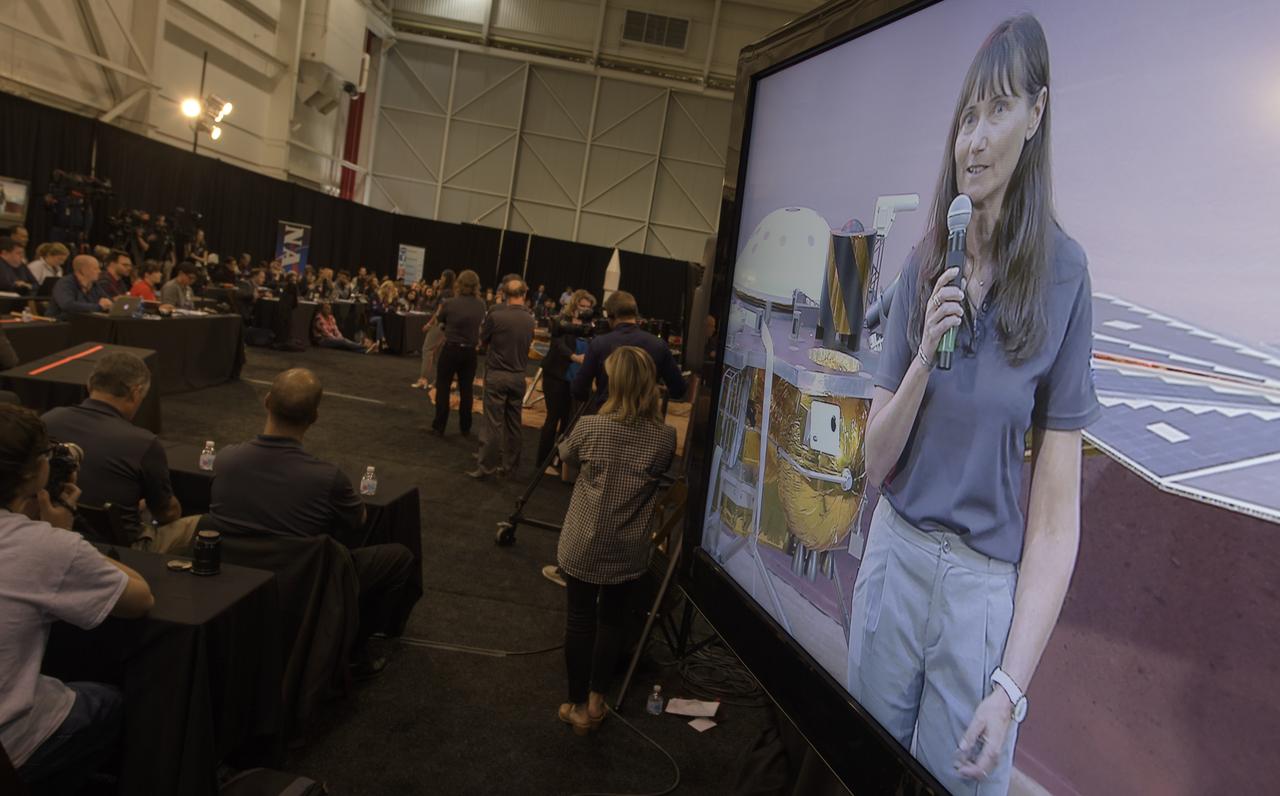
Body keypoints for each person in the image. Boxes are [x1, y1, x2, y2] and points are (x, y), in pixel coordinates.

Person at [847, 16, 1100, 795]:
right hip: (896, 558)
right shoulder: (928, 259)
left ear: (1037, 113)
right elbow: (873, 461)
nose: (976, 139)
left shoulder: (1065, 276)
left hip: (982, 595)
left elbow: (1055, 520)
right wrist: (924, 353)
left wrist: (1010, 686)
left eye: (998, 112)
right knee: (855, 767)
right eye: (967, 116)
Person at [205, 368, 416, 676]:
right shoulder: (327, 478)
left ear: (266, 401)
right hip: (300, 579)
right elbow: (359, 522)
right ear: (315, 417)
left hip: (234, 573)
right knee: (399, 558)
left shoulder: (226, 459)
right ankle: (353, 649)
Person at [0, 405, 155, 793]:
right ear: (32, 472)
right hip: (10, 744)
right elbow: (139, 597)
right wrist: (64, 534)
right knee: (108, 701)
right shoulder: (45, 546)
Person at [553, 346, 676, 734]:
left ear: (613, 384)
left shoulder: (591, 427)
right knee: (612, 623)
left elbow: (565, 456)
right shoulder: (665, 437)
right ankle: (595, 701)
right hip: (629, 547)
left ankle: (574, 705)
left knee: (580, 619)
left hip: (583, 543)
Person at [42, 352, 191, 552]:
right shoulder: (144, 443)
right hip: (120, 548)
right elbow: (166, 513)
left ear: (89, 385)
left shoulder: (48, 420)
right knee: (200, 525)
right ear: (136, 392)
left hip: (52, 533)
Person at [469, 278, 536, 479]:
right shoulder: (530, 319)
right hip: (518, 376)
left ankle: (486, 467)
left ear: (504, 295)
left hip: (497, 374)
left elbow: (483, 340)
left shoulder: (496, 315)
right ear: (524, 294)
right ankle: (510, 467)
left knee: (492, 423)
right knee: (514, 424)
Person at [571, 291, 686, 409]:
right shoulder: (659, 345)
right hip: (644, 418)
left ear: (611, 316)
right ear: (635, 314)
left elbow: (578, 389)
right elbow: (679, 390)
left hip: (606, 415)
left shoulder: (599, 343)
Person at [536, 290, 596, 471]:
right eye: (582, 306)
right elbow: (558, 344)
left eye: (588, 307)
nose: (585, 309)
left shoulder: (590, 326)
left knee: (568, 424)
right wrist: (574, 357)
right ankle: (542, 463)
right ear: (574, 305)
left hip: (576, 381)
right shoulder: (561, 321)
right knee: (552, 419)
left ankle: (560, 463)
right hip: (556, 376)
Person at [430, 269, 486, 437]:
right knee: (466, 389)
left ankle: (439, 426)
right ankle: (465, 427)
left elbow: (440, 322)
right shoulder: (481, 304)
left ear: (459, 284)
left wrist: (447, 327)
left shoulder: (449, 303)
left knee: (443, 386)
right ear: (476, 286)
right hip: (470, 352)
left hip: (451, 349)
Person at [410, 269, 454, 390]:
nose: (440, 279)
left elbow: (439, 311)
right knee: (438, 354)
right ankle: (439, 381)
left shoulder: (445, 293)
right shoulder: (452, 292)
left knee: (427, 349)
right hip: (448, 326)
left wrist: (429, 324)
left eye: (442, 277)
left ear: (446, 278)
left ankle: (423, 379)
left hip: (440, 324)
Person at [50, 255, 112, 319]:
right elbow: (67, 305)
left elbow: (108, 300)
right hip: (61, 323)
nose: (99, 271)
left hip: (86, 322)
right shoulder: (64, 283)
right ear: (82, 270)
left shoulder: (94, 284)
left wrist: (108, 303)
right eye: (95, 268)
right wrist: (99, 307)